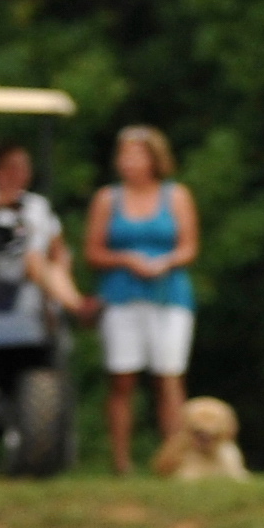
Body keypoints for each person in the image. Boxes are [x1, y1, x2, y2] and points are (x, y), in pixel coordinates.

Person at [86, 124, 199, 474]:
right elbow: (93, 251)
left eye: (136, 154)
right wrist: (126, 260)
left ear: (154, 158)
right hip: (122, 296)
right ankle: (122, 463)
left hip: (168, 295)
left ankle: (176, 461)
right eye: (124, 155)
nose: (129, 162)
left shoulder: (176, 196)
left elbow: (190, 246)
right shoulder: (108, 199)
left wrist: (165, 262)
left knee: (169, 377)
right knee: (122, 379)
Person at [0, 139, 93, 324]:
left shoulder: (38, 205)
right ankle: (78, 306)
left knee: (36, 259)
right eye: (12, 167)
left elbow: (57, 248)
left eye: (24, 167)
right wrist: (3, 204)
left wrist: (60, 272)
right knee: (32, 258)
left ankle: (74, 305)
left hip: (26, 282)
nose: (18, 173)